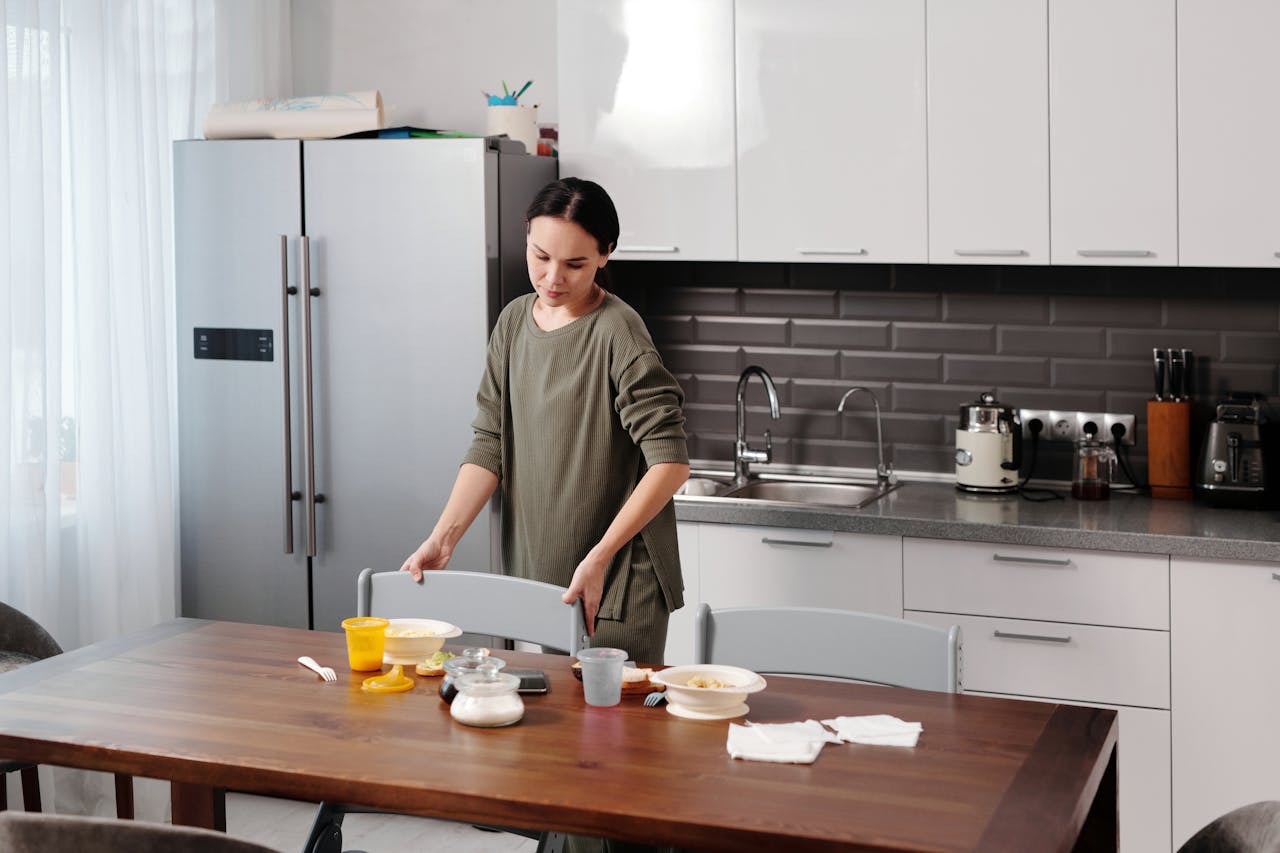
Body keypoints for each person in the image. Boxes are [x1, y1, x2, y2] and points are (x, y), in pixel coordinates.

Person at [401, 177, 689, 666]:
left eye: (575, 263)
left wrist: (600, 557)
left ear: (605, 254)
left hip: (616, 576)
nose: (553, 277)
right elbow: (490, 441)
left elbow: (671, 462)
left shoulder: (619, 333)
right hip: (543, 573)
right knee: (558, 735)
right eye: (540, 256)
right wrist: (443, 537)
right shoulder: (514, 323)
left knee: (613, 735)